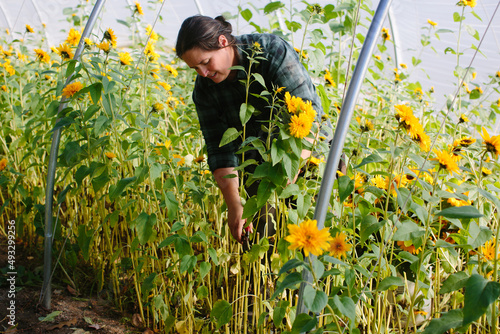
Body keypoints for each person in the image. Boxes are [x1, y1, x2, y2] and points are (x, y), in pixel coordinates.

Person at [175, 15, 333, 244]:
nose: (203, 73)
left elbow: (310, 113)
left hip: (310, 153)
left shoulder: (270, 52)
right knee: (261, 240)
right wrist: (235, 205)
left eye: (206, 62)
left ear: (222, 42)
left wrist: (291, 168)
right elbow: (220, 152)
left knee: (319, 234)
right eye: (195, 68)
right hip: (257, 166)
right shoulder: (204, 91)